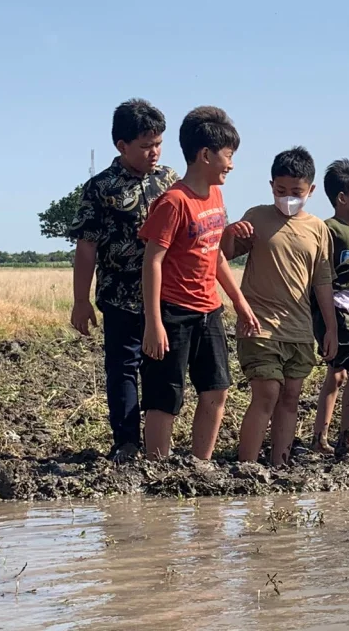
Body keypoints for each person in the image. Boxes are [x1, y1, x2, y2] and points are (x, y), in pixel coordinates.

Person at [138, 106, 258, 461]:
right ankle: (157, 467)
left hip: (210, 310)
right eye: (228, 156)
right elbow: (152, 261)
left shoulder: (216, 196)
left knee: (217, 390)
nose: (231, 165)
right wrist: (154, 323)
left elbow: (215, 254)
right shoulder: (173, 202)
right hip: (173, 313)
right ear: (205, 154)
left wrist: (239, 301)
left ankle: (199, 465)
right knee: (164, 397)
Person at [68, 99, 179, 463]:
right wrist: (80, 300)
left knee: (162, 367)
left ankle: (159, 446)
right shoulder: (100, 188)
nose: (154, 152)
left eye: (158, 144)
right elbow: (86, 246)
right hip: (121, 296)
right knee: (123, 369)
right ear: (122, 146)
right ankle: (126, 444)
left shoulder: (170, 180)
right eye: (146, 146)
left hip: (166, 294)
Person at [221, 147, 337, 467]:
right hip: (258, 324)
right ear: (271, 185)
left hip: (298, 330)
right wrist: (229, 233)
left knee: (290, 397)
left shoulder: (318, 229)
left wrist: (330, 328)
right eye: (281, 190)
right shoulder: (256, 217)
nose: (288, 198)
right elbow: (224, 256)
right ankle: (247, 467)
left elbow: (322, 282)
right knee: (267, 392)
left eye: (296, 192)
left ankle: (279, 464)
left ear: (311, 190)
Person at [310, 160, 349, 458]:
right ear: (341, 198)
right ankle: (347, 438)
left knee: (337, 375)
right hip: (334, 307)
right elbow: (322, 272)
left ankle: (319, 438)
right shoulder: (329, 229)